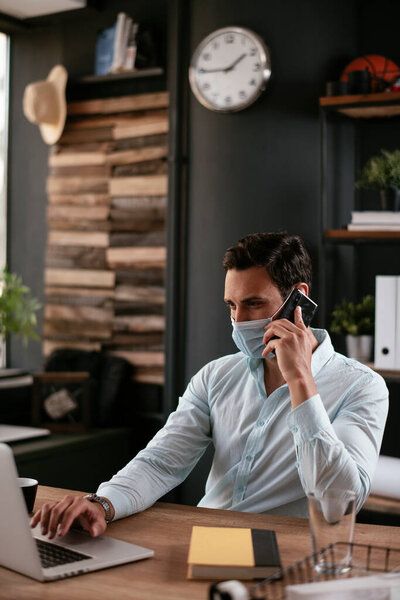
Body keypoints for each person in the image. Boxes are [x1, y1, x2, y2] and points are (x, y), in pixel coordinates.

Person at [32, 231, 388, 539]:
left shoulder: (362, 387)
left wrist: (301, 382)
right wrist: (103, 504)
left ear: (298, 299)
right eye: (231, 305)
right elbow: (161, 463)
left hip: (286, 552)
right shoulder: (215, 376)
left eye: (253, 304)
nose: (238, 321)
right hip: (203, 539)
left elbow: (338, 503)